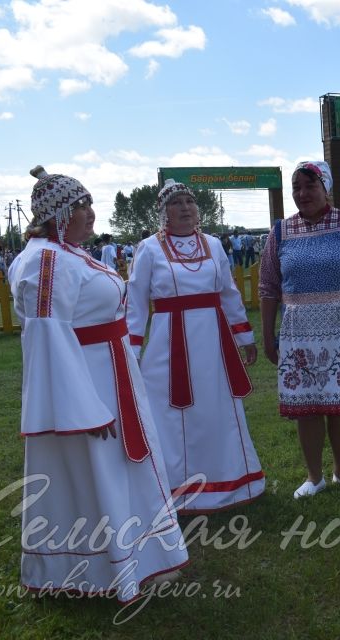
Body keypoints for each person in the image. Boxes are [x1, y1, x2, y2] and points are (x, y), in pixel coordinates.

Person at [9, 166, 188, 603]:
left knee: (120, 469)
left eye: (89, 203)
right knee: (97, 472)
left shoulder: (65, 253)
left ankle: (142, 556)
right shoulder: (45, 261)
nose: (91, 213)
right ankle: (100, 568)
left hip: (110, 373)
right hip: (89, 386)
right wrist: (83, 409)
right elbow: (48, 336)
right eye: (82, 206)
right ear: (59, 214)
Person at [127, 180, 265, 513]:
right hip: (167, 344)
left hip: (213, 343)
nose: (185, 208)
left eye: (190, 201)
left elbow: (227, 292)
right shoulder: (148, 248)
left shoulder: (214, 245)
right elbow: (135, 302)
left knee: (217, 408)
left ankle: (228, 482)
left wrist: (244, 336)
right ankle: (173, 488)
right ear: (163, 212)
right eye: (176, 203)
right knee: (170, 414)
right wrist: (131, 352)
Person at [259, 161, 340, 499]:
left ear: (326, 187)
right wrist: (267, 335)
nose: (302, 194)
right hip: (297, 334)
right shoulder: (281, 232)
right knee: (309, 406)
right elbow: (268, 287)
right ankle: (314, 476)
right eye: (296, 188)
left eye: (310, 186)